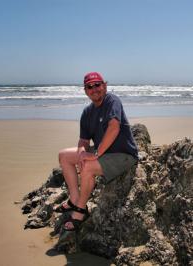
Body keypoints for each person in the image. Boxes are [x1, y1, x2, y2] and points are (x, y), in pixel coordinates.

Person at [56, 72, 138, 231]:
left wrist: (94, 155)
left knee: (87, 167)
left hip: (124, 154)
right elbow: (84, 140)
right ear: (85, 90)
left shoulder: (112, 101)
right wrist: (81, 153)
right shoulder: (87, 112)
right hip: (104, 152)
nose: (94, 89)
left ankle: (80, 210)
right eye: (89, 86)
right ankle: (74, 199)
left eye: (97, 85)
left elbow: (114, 127)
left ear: (105, 86)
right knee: (64, 156)